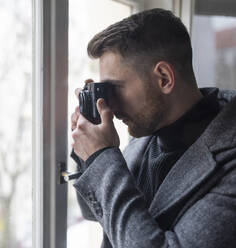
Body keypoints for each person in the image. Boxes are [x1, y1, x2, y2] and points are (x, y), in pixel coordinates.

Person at [70, 8, 236, 248]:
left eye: (115, 88)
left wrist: (101, 157)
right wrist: (88, 148)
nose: (111, 105)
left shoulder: (228, 162)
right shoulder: (143, 138)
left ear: (164, 78)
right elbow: (95, 212)